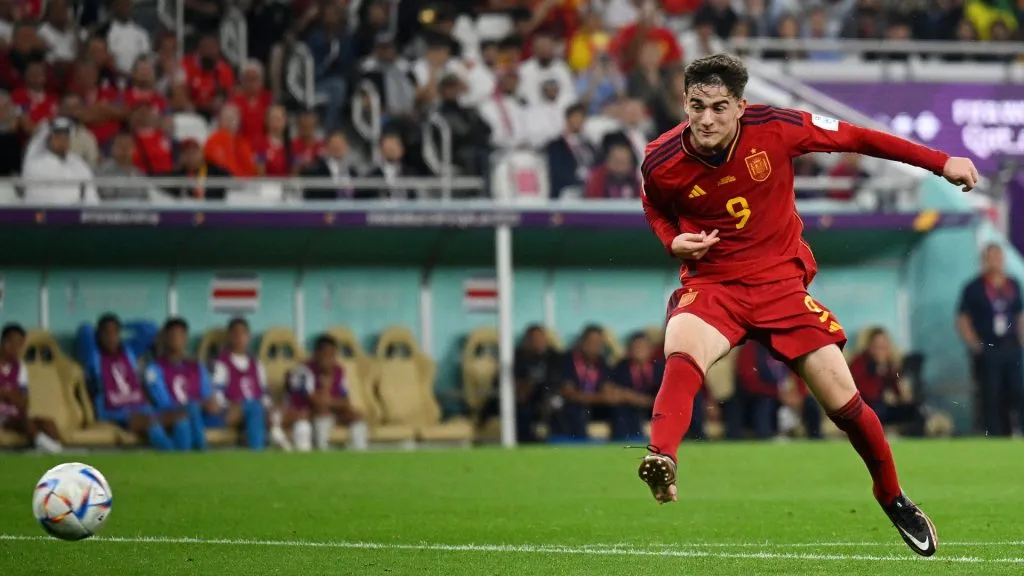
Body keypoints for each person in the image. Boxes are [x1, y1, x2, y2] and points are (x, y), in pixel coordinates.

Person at [636, 53, 979, 557]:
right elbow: (655, 205)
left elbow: (859, 138)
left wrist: (940, 162)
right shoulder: (660, 158)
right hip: (715, 285)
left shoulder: (777, 127)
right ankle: (662, 458)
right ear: (684, 102)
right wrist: (672, 242)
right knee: (681, 348)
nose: (706, 119)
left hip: (780, 286)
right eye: (696, 106)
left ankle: (892, 495)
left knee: (846, 403)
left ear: (740, 106)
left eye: (719, 107)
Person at [79, 314, 191, 450]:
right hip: (115, 412)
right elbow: (84, 330)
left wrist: (124, 325)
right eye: (106, 333)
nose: (111, 338)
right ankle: (175, 462)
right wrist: (99, 329)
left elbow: (150, 329)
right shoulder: (94, 356)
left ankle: (187, 462)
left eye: (115, 333)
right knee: (153, 425)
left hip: (141, 408)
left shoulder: (128, 351)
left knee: (181, 420)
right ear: (99, 336)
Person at [956, 243, 1024, 436]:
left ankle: (1017, 432)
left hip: (1011, 345)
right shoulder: (974, 287)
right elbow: (963, 319)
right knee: (992, 394)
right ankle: (996, 435)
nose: (995, 261)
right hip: (988, 346)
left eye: (998, 257)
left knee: (1017, 391)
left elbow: (1019, 314)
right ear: (984, 260)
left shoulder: (1013, 284)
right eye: (991, 257)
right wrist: (975, 344)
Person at [209, 318, 290, 450]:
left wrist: (269, 407)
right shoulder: (221, 363)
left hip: (256, 409)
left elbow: (264, 393)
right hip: (231, 410)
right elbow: (217, 393)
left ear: (248, 337)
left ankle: (277, 441)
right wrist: (229, 405)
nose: (239, 337)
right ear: (229, 336)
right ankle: (262, 448)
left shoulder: (256, 364)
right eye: (235, 333)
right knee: (255, 408)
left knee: (266, 409)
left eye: (243, 333)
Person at [283, 335, 368, 452]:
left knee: (357, 419)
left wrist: (335, 405)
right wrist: (332, 402)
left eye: (332, 355)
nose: (330, 359)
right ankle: (322, 455)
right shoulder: (303, 371)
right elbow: (315, 401)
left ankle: (358, 457)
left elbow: (345, 401)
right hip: (304, 416)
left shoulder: (338, 371)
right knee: (322, 415)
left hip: (330, 412)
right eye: (326, 355)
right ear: (316, 354)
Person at [145, 318, 218, 451]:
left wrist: (208, 403)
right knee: (183, 419)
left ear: (185, 338)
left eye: (180, 335)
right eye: (172, 335)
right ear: (165, 338)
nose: (176, 339)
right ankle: (202, 450)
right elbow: (162, 401)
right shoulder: (155, 368)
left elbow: (207, 395)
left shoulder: (197, 367)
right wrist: (190, 407)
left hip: (199, 415)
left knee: (191, 413)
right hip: (170, 414)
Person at [0, 323, 63, 452]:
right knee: (25, 422)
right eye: (11, 343)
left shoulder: (20, 367)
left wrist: (10, 396)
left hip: (14, 414)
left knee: (48, 424)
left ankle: (49, 448)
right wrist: (8, 395)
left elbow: (24, 401)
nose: (15, 348)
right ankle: (52, 450)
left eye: (19, 345)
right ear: (4, 342)